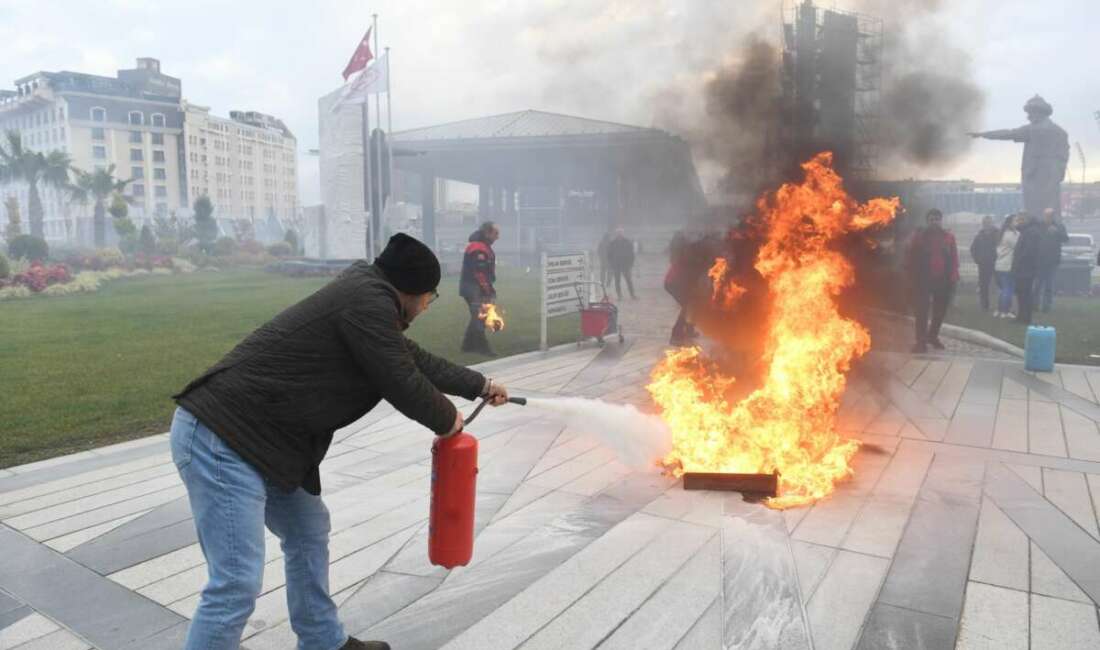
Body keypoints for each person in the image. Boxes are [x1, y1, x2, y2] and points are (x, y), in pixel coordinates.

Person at [170, 233, 510, 650]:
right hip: (221, 437)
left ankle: (322, 642)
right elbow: (398, 378)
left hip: (265, 442)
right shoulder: (366, 303)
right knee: (236, 581)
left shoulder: (368, 300)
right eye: (429, 297)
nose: (426, 306)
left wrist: (479, 384)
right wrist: (447, 419)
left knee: (308, 529)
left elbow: (413, 360)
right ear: (412, 291)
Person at [970, 95, 1070, 218]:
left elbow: (1008, 134)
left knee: (1034, 209)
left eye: (1031, 113)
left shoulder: (1032, 130)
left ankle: (1039, 229)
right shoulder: (1060, 131)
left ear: (1039, 112)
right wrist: (1060, 171)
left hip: (1034, 174)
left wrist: (983, 135)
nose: (1029, 116)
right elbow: (1064, 155)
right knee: (1050, 210)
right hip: (1051, 175)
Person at [906, 209, 959, 353]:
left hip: (943, 279)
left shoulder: (949, 237)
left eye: (937, 219)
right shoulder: (919, 236)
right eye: (931, 219)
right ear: (927, 221)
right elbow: (910, 256)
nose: (934, 222)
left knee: (939, 312)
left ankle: (932, 336)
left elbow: (954, 257)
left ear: (941, 221)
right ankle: (920, 342)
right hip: (923, 279)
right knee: (921, 312)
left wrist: (954, 275)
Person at [460, 221, 499, 355]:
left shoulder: (481, 246)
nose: (497, 237)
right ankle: (483, 347)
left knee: (476, 316)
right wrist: (487, 289)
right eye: (495, 233)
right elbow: (479, 272)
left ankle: (467, 345)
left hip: (472, 287)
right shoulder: (479, 248)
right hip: (474, 288)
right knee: (480, 317)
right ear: (487, 233)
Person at [664, 231, 697, 345]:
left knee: (691, 306)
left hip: (676, 282)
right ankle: (676, 336)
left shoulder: (685, 254)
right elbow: (685, 274)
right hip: (673, 283)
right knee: (687, 307)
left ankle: (689, 331)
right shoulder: (684, 257)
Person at [1034, 207, 1069, 312]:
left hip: (1053, 260)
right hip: (1039, 259)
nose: (1048, 217)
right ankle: (1035, 305)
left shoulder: (1059, 226)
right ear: (1044, 215)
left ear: (1054, 216)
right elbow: (1034, 238)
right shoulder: (1039, 226)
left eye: (1051, 215)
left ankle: (1046, 306)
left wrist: (1057, 232)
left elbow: (1065, 239)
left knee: (1049, 284)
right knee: (1038, 284)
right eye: (1047, 215)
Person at [1012, 212, 1042, 324]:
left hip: (1026, 269)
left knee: (1025, 294)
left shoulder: (1031, 232)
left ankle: (1025, 318)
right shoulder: (1026, 231)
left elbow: (1029, 251)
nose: (1017, 222)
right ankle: (1021, 316)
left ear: (1026, 220)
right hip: (1023, 268)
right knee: (1021, 293)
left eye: (1020, 220)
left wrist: (1018, 261)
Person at [969, 215, 999, 311]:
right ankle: (984, 306)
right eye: (985, 223)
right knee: (983, 286)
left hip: (997, 264)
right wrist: (977, 259)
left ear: (992, 223)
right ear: (983, 224)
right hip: (983, 265)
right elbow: (973, 249)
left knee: (1001, 285)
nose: (987, 224)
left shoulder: (998, 234)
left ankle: (1003, 306)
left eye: (989, 222)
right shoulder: (979, 236)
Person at [994, 214, 1019, 318]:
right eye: (1015, 221)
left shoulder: (1002, 234)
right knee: (1008, 289)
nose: (1017, 223)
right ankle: (1005, 311)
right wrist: (1018, 233)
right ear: (1010, 223)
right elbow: (1018, 245)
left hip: (999, 265)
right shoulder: (1010, 235)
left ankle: (999, 310)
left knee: (1003, 289)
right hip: (1008, 265)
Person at [607, 227, 637, 300]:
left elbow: (631, 254)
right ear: (616, 234)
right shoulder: (612, 243)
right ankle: (619, 296)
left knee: (629, 280)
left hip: (625, 265)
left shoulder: (627, 242)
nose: (619, 234)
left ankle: (632, 295)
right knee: (617, 281)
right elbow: (609, 255)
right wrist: (611, 264)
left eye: (620, 233)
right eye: (618, 233)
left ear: (623, 233)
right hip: (616, 265)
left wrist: (631, 263)